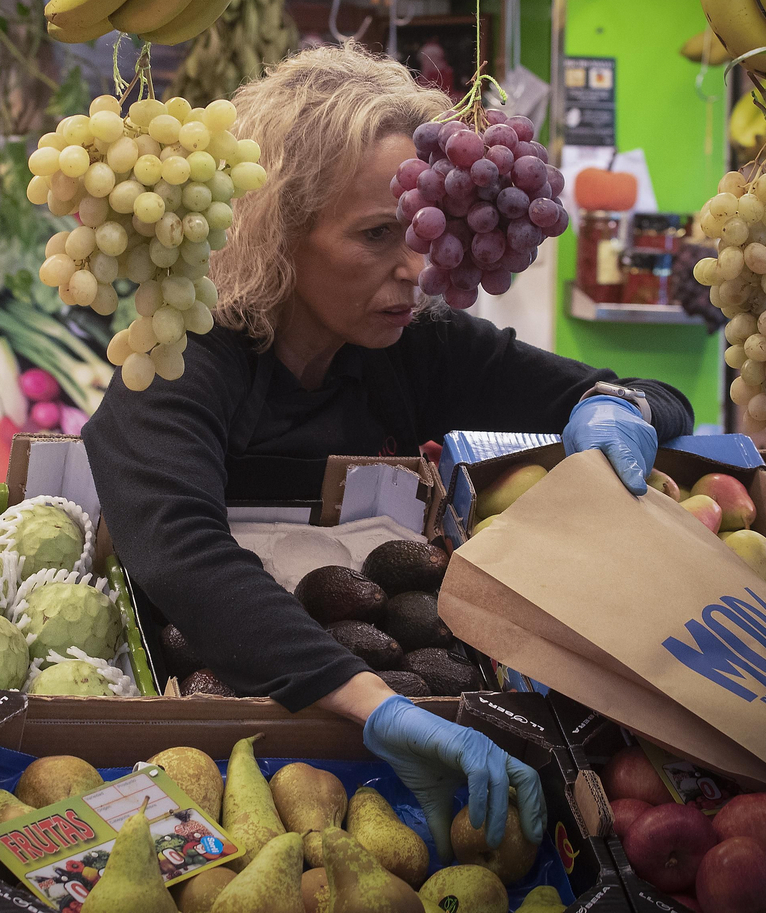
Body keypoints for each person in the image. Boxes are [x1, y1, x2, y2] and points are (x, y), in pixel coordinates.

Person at [81, 44, 695, 857]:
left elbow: (658, 398)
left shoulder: (412, 347)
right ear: (277, 229)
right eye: (375, 235)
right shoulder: (181, 357)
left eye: (418, 231)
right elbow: (182, 556)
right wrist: (382, 707)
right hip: (213, 733)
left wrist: (617, 407)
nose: (417, 268)